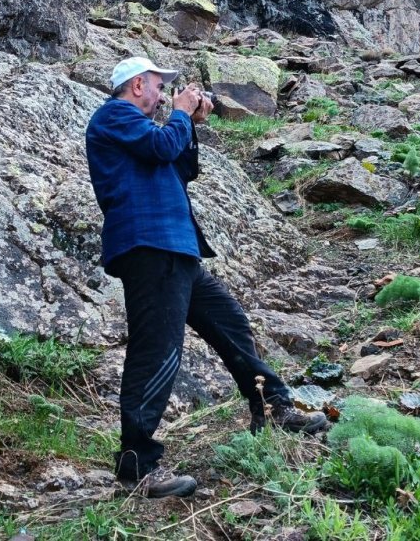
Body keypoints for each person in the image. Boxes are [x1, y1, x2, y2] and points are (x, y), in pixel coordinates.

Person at [85, 57, 326, 499]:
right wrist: (178, 113)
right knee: (157, 351)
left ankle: (272, 407)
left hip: (177, 252)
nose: (162, 96)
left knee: (231, 324)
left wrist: (189, 122)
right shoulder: (113, 114)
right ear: (138, 85)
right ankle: (137, 466)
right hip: (150, 249)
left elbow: (182, 167)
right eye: (159, 87)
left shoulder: (147, 132)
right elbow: (162, 149)